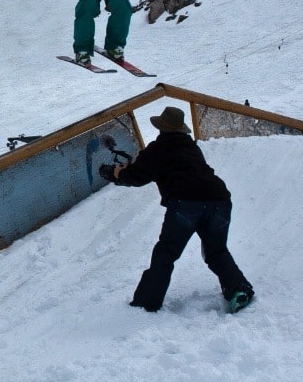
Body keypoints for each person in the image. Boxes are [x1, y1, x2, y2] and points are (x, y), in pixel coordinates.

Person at [104, 106, 254, 313]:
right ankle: (239, 290)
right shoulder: (191, 147)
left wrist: (117, 174)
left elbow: (138, 176)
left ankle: (146, 303)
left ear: (161, 128)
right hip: (219, 200)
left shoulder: (159, 148)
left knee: (166, 252)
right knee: (217, 251)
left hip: (186, 204)